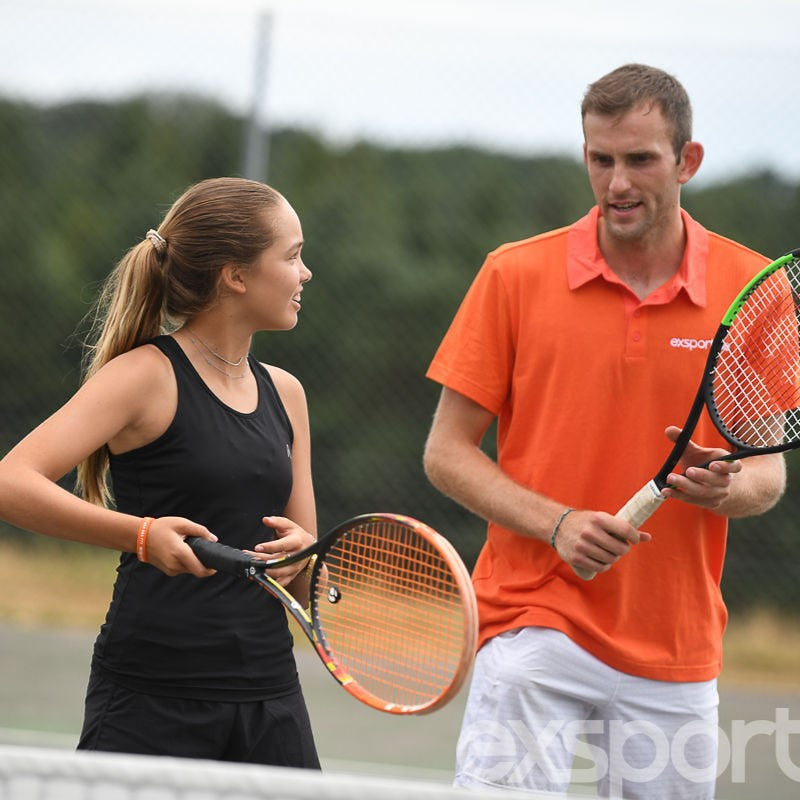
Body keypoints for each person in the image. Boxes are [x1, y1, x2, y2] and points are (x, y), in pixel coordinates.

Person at [423, 64, 786, 799]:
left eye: (640, 159)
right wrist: (556, 524)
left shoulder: (753, 289)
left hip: (675, 648)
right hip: (532, 624)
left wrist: (725, 488)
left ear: (688, 161)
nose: (617, 182)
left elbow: (767, 477)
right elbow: (446, 454)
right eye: (601, 159)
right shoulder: (513, 275)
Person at [0, 177, 321, 767]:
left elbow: (299, 578)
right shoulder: (145, 376)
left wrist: (304, 557)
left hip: (269, 697)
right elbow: (9, 482)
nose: (305, 274)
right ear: (236, 274)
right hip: (152, 695)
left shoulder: (288, 394)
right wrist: (141, 535)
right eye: (293, 256)